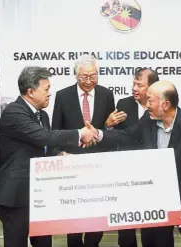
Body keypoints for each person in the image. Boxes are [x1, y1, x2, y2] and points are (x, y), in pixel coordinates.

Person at [90, 80, 181, 247]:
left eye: (150, 100)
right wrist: (98, 134)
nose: (146, 104)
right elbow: (127, 136)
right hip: (155, 200)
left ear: (165, 104)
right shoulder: (147, 120)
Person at [0, 66, 96, 247]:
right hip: (16, 195)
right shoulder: (14, 112)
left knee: (44, 243)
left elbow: (44, 146)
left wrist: (60, 154)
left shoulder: (42, 115)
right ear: (31, 92)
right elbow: (44, 137)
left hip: (39, 195)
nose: (50, 93)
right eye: (46, 89)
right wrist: (80, 133)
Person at [52, 54, 120, 247]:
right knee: (74, 214)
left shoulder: (107, 94)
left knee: (97, 213)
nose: (89, 81)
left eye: (93, 76)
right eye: (84, 77)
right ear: (75, 75)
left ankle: (92, 243)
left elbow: (108, 131)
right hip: (72, 162)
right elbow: (56, 131)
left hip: (98, 163)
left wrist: (106, 127)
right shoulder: (62, 96)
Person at [108, 68, 159, 247]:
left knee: (150, 222)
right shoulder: (124, 104)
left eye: (139, 85)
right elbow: (119, 136)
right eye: (133, 84)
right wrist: (108, 126)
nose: (134, 88)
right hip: (127, 170)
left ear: (152, 87)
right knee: (126, 224)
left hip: (152, 171)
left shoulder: (161, 104)